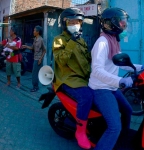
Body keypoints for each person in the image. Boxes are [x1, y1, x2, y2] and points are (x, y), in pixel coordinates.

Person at [88, 8, 144, 150]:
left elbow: (121, 63)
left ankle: (122, 137)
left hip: (112, 87)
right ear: (112, 23)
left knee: (128, 110)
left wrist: (141, 67)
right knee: (114, 126)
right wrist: (120, 81)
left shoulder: (113, 40)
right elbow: (97, 70)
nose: (124, 25)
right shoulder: (102, 42)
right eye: (122, 22)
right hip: (101, 89)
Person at [52, 7, 93, 149]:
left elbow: (88, 60)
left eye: (78, 22)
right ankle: (80, 131)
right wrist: (71, 43)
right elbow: (60, 61)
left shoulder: (82, 41)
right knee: (87, 97)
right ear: (65, 23)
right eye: (72, 22)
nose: (76, 24)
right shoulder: (58, 40)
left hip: (84, 78)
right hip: (67, 79)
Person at [22, 25, 46, 92]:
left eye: (34, 30)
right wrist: (26, 46)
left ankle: (35, 87)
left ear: (38, 32)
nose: (33, 32)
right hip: (35, 58)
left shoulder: (41, 40)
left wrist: (41, 59)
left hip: (38, 59)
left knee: (34, 73)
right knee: (38, 72)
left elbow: (44, 50)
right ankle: (44, 82)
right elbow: (32, 48)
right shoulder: (35, 39)